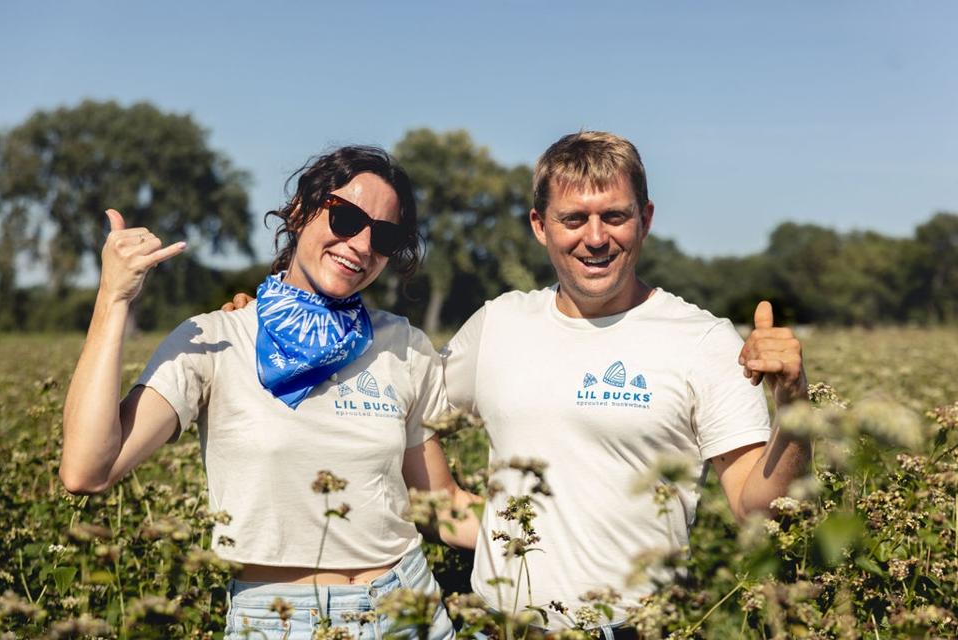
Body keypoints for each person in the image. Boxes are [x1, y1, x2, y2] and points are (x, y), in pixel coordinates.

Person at [59, 146, 478, 640]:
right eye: (345, 219)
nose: (361, 245)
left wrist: (566, 535)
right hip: (281, 621)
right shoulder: (215, 339)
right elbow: (87, 470)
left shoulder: (403, 344)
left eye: (384, 236)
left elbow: (442, 503)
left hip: (410, 606)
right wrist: (114, 297)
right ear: (300, 212)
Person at [441, 131, 811, 635]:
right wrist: (447, 507)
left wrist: (794, 411)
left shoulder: (702, 340)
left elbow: (758, 510)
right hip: (498, 626)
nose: (595, 238)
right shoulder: (497, 325)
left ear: (646, 219)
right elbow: (408, 415)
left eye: (614, 216)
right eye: (573, 219)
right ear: (540, 226)